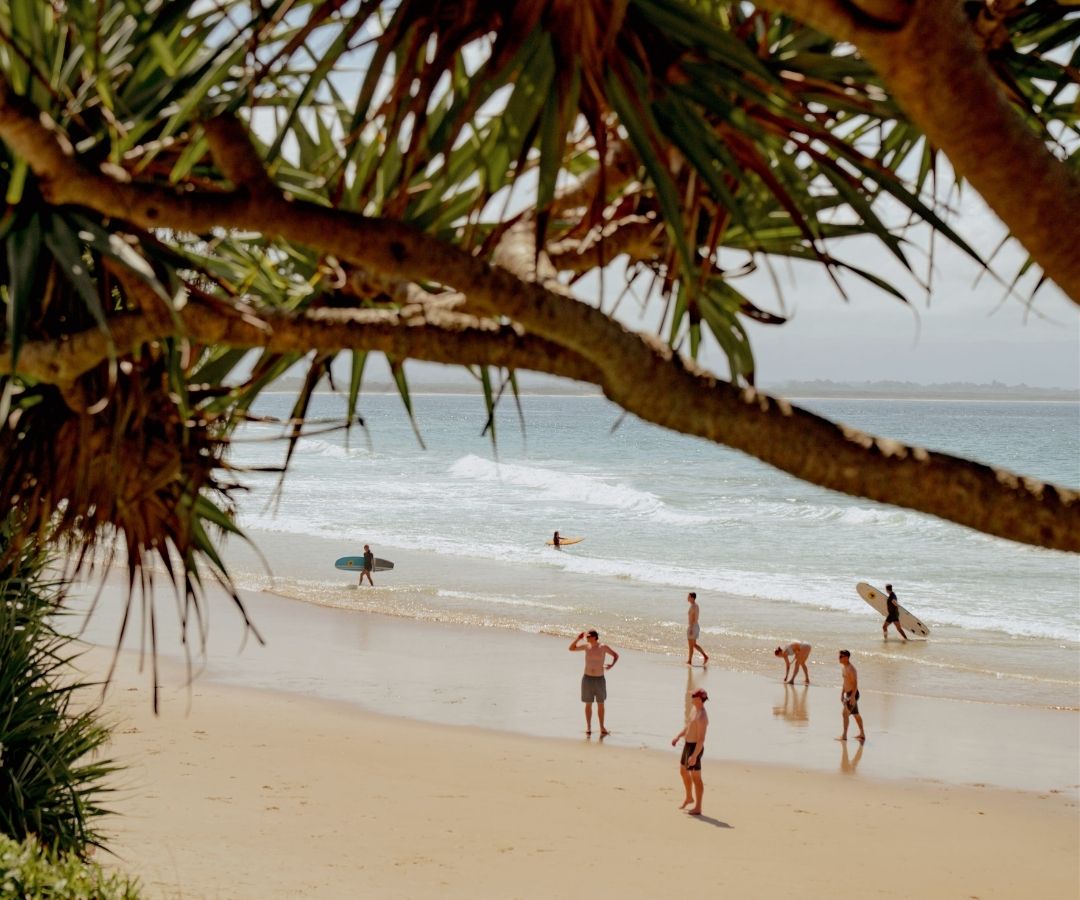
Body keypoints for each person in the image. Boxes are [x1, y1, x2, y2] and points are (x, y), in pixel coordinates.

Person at [568, 629, 618, 735]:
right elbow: (571, 648)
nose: (587, 638)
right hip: (587, 679)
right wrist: (578, 638)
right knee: (588, 704)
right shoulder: (586, 646)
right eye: (587, 636)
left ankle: (602, 728)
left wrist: (611, 665)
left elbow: (615, 655)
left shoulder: (603, 647)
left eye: (589, 636)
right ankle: (589, 728)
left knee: (600, 704)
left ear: (595, 637)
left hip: (599, 679)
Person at [671, 688, 709, 815]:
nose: (691, 697)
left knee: (696, 778)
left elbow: (701, 740)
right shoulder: (694, 709)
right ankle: (689, 797)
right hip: (687, 745)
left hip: (695, 748)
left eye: (693, 695)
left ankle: (698, 807)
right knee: (683, 771)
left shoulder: (702, 716)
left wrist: (694, 756)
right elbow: (688, 726)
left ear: (699, 699)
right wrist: (678, 736)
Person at [836, 650, 866, 743]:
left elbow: (855, 683)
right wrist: (842, 694)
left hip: (853, 694)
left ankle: (844, 735)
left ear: (846, 657)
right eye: (839, 656)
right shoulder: (844, 668)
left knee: (845, 714)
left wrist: (852, 697)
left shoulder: (851, 669)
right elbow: (845, 682)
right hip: (848, 694)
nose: (839, 658)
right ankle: (862, 734)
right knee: (856, 714)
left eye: (841, 656)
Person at [685, 591, 709, 665]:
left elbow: (694, 619)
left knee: (691, 646)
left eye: (688, 596)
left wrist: (691, 628)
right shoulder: (696, 605)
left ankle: (689, 661)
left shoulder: (693, 606)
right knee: (694, 645)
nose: (687, 598)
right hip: (695, 626)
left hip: (693, 626)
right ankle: (705, 656)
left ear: (692, 598)